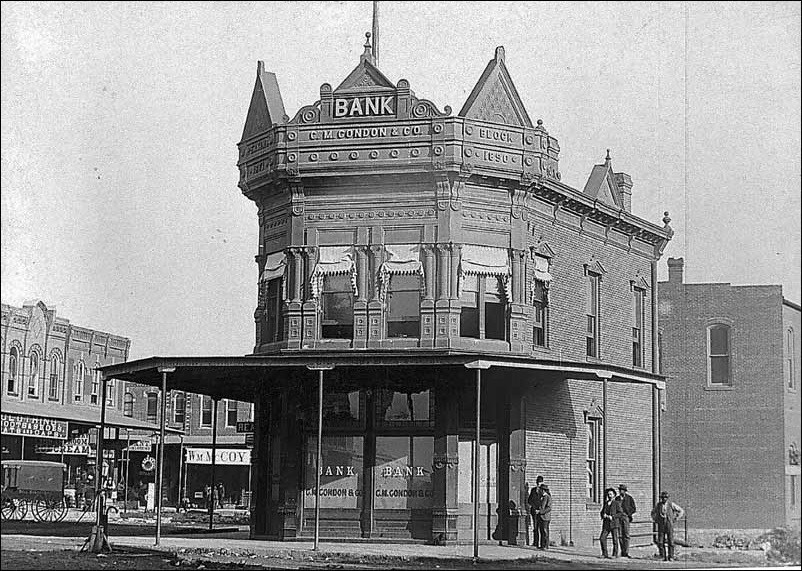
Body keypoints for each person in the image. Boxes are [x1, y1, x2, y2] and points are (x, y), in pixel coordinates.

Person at [651, 491, 685, 561]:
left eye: (665, 497)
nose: (664, 499)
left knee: (671, 541)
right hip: (661, 525)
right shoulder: (658, 505)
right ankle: (662, 555)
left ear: (667, 498)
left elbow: (681, 510)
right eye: (662, 498)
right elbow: (653, 512)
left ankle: (671, 556)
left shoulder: (671, 504)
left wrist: (676, 518)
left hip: (669, 524)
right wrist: (655, 519)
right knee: (660, 541)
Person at [599, 487, 623, 558]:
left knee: (615, 539)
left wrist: (613, 517)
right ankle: (604, 553)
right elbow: (602, 511)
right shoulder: (606, 503)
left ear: (614, 495)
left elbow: (620, 513)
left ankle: (615, 554)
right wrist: (603, 515)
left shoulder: (616, 503)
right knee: (602, 538)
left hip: (614, 524)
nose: (609, 495)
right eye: (608, 494)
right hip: (606, 524)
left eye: (611, 494)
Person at [618, 483, 637, 558]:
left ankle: (626, 552)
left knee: (626, 534)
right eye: (620, 490)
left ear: (625, 491)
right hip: (619, 517)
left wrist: (629, 513)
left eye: (622, 490)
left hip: (626, 517)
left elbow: (634, 508)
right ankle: (622, 551)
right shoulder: (617, 498)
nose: (621, 491)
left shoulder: (629, 498)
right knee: (620, 535)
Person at [526, 476, 544, 547]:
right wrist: (534, 508)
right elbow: (529, 500)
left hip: (541, 512)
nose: (538, 484)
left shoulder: (544, 491)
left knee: (541, 527)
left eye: (540, 483)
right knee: (535, 527)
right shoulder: (533, 490)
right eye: (537, 483)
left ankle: (542, 544)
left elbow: (545, 501)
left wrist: (540, 510)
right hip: (534, 511)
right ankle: (535, 542)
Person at [536, 483, 552, 549]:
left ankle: (545, 545)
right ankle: (542, 545)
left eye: (541, 490)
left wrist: (540, 512)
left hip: (545, 517)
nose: (540, 491)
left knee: (545, 531)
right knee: (541, 531)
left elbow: (549, 508)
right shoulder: (541, 497)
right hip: (540, 517)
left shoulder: (548, 497)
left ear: (543, 490)